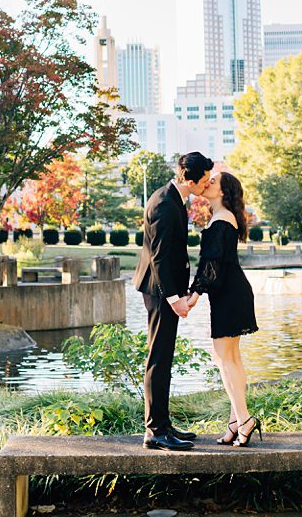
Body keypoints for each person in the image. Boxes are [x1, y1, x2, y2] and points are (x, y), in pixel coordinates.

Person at [133, 150, 213, 451]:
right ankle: (154, 431)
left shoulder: (176, 199)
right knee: (158, 358)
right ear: (189, 178)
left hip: (163, 289)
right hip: (159, 291)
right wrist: (174, 298)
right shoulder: (165, 204)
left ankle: (163, 425)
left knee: (164, 357)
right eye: (204, 180)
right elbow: (160, 258)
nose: (207, 185)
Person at [187, 169, 261, 447]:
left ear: (223, 191)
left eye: (213, 181)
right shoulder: (223, 218)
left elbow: (211, 265)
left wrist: (193, 295)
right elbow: (212, 264)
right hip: (231, 293)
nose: (208, 183)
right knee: (231, 358)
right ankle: (236, 421)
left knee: (223, 359)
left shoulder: (222, 220)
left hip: (230, 294)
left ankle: (244, 420)